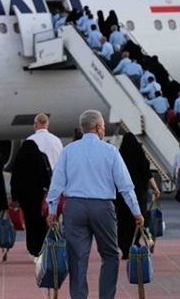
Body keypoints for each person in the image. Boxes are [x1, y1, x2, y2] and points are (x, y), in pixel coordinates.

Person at [45, 110, 143, 299]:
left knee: (77, 258)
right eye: (103, 127)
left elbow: (56, 185)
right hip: (103, 207)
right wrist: (136, 211)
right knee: (110, 254)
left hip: (74, 207)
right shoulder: (110, 151)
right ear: (98, 128)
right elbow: (125, 186)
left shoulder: (68, 151)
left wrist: (52, 211)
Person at [115, 133, 160, 259]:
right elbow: (147, 173)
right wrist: (155, 189)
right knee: (138, 219)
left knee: (122, 221)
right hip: (138, 194)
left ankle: (124, 246)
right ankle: (134, 243)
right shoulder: (140, 155)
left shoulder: (119, 155)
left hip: (121, 195)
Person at [10, 140, 52, 259]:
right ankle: (40, 248)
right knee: (39, 222)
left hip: (25, 198)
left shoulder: (19, 159)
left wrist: (15, 198)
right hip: (38, 196)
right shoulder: (40, 156)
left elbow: (14, 180)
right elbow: (46, 175)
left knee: (29, 222)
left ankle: (31, 247)